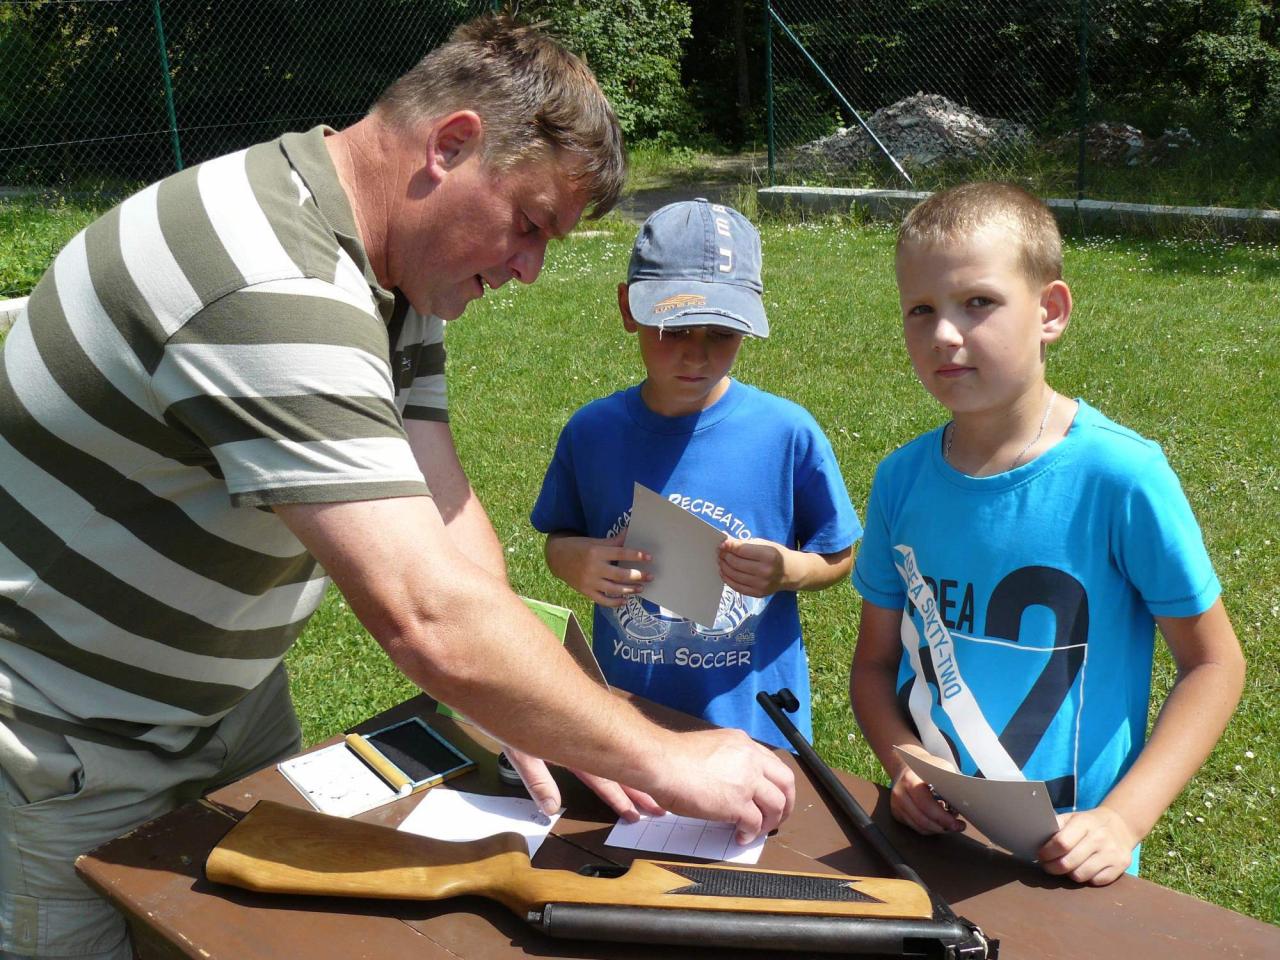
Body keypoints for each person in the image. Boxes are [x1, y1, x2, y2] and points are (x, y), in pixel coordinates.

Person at [0, 17, 794, 960]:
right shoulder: (269, 283)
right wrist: (657, 752)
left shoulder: (387, 265)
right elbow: (425, 615)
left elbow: (447, 517)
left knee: (251, 941)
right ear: (450, 144)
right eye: (530, 224)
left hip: (226, 701)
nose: (528, 269)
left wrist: (557, 707)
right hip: (70, 730)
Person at [849, 181, 1245, 886]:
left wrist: (1123, 819)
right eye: (921, 309)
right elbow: (874, 668)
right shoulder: (900, 480)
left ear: (1050, 312)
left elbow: (1214, 665)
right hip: (933, 845)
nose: (944, 334)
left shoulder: (1121, 477)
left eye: (978, 302)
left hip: (1074, 860)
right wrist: (909, 765)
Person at [530, 199, 861, 750]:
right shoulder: (592, 434)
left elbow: (839, 557)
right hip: (629, 721)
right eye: (675, 329)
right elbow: (558, 538)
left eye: (722, 334)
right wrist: (576, 562)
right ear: (629, 308)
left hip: (752, 725)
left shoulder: (785, 433)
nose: (697, 356)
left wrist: (786, 570)